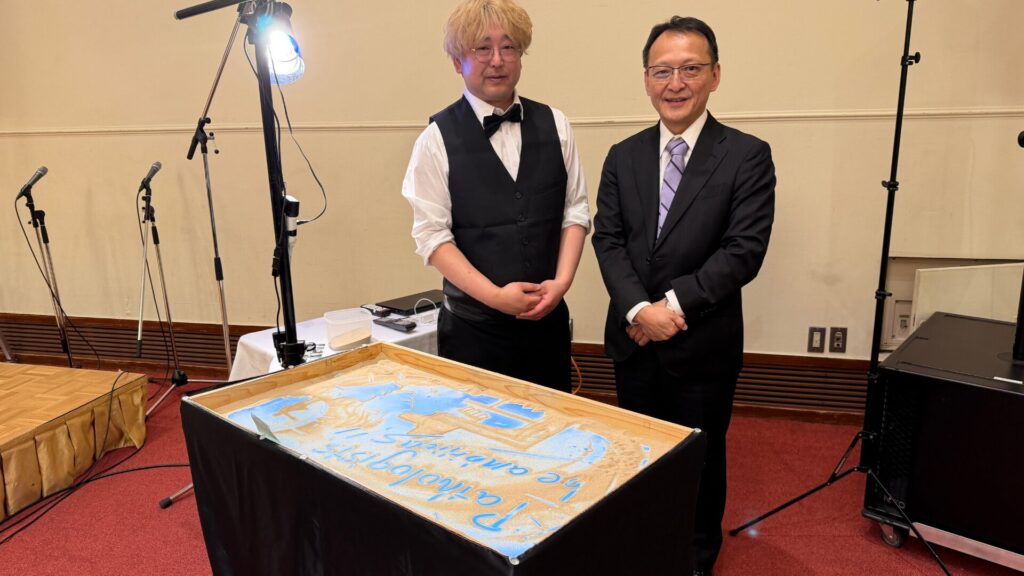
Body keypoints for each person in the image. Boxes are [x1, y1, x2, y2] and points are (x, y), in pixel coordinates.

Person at [591, 16, 775, 576]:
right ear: (646, 80)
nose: (676, 83)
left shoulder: (747, 155)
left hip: (701, 343)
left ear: (715, 76)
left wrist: (667, 310)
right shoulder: (623, 155)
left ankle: (696, 558)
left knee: (699, 458)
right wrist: (637, 310)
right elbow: (609, 239)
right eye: (662, 71)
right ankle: (642, 546)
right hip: (633, 341)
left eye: (690, 69)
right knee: (637, 453)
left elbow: (743, 251)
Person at [402, 0, 589, 392]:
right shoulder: (435, 140)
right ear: (458, 61)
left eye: (509, 47)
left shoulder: (557, 125)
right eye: (482, 48)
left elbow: (574, 211)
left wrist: (562, 283)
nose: (498, 61)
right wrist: (495, 297)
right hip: (473, 331)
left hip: (547, 326)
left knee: (553, 424)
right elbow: (432, 237)